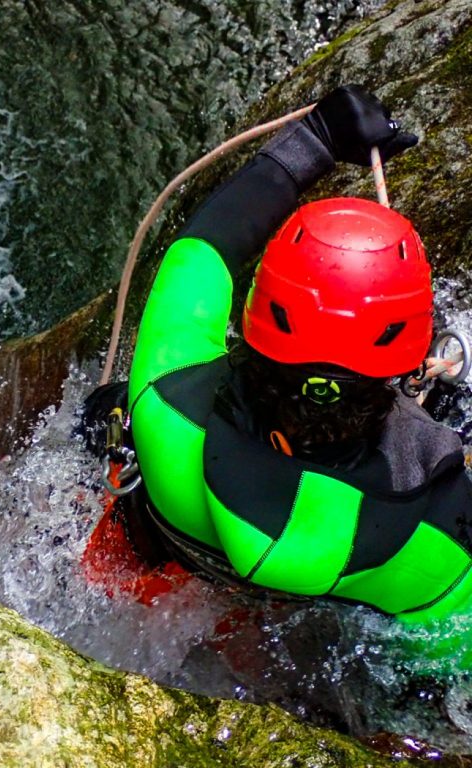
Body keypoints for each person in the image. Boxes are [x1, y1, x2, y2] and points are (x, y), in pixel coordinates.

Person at [88, 85, 472, 624]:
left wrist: (317, 137)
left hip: (153, 576)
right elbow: (450, 654)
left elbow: (202, 250)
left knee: (108, 409)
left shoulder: (165, 398)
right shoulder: (437, 532)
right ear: (405, 360)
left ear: (254, 318)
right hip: (287, 630)